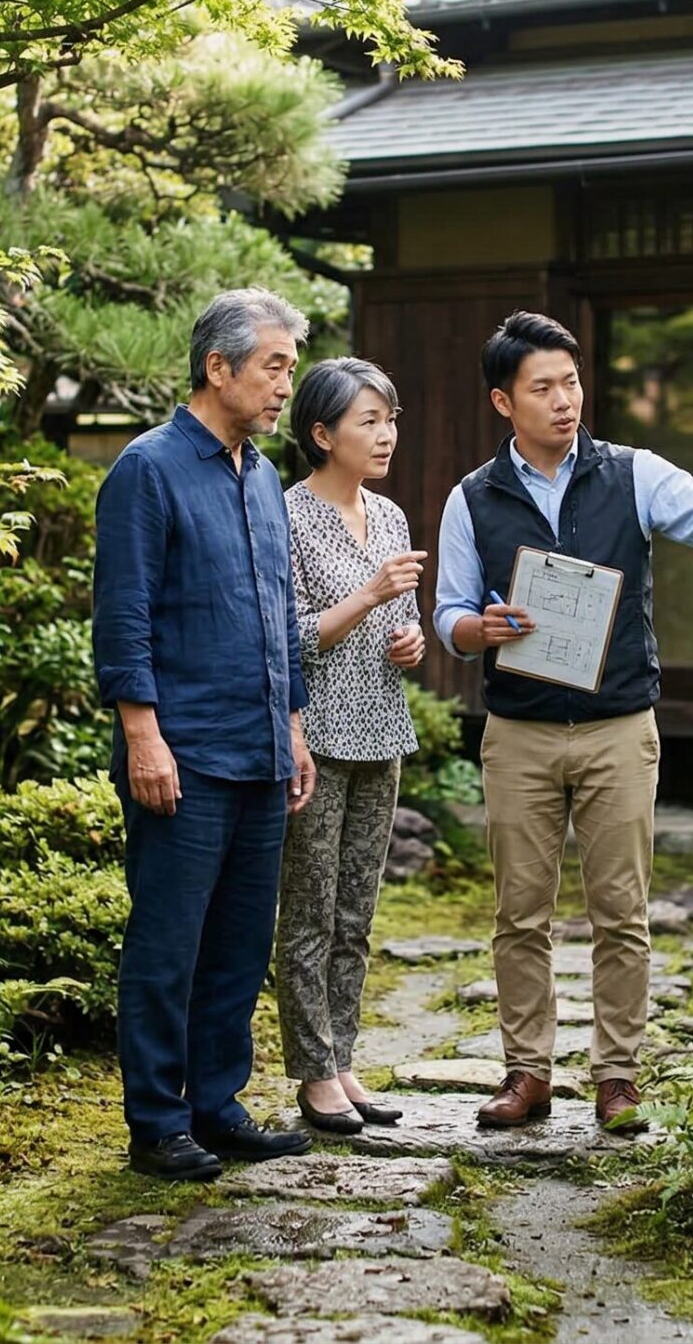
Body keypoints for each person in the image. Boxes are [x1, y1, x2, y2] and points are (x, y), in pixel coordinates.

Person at [433, 310, 693, 1134]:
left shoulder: (633, 473)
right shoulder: (471, 497)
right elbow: (449, 613)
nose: (565, 400)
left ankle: (617, 1076)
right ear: (503, 401)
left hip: (619, 725)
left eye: (572, 382)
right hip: (517, 730)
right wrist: (480, 628)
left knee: (621, 910)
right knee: (520, 911)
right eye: (543, 387)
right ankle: (527, 1072)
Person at [93, 288, 320, 1181]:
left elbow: (281, 613)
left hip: (260, 748)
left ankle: (216, 1106)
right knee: (168, 944)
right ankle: (156, 1121)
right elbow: (124, 615)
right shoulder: (147, 469)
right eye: (273, 367)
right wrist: (142, 735)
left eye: (291, 368)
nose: (285, 386)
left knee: (238, 944)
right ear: (217, 367)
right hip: (182, 752)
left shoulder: (260, 474)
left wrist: (293, 725)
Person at [275, 358, 427, 1135]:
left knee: (357, 912)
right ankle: (312, 1070)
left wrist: (410, 641)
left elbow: (405, 624)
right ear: (322, 433)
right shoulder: (286, 514)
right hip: (318, 735)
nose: (386, 434)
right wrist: (370, 594)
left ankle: (342, 1057)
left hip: (383, 728)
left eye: (390, 419)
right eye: (369, 420)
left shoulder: (390, 514)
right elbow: (292, 636)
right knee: (310, 911)